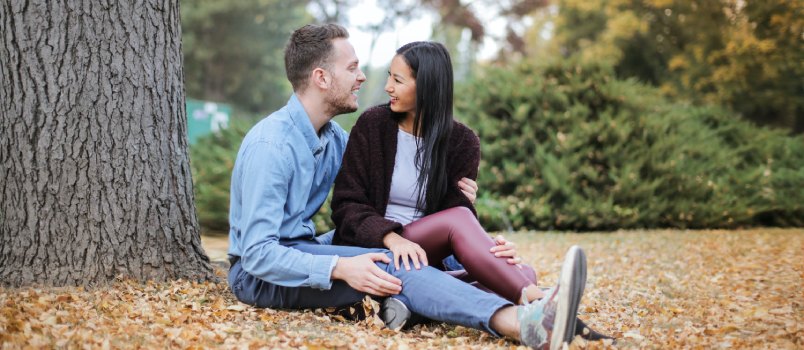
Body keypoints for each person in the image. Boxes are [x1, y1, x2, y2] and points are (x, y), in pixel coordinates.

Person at [227, 23, 587, 350]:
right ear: (321, 77)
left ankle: (502, 292)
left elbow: (374, 190)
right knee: (391, 262)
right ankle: (521, 323)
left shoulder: (333, 139)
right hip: (259, 276)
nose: (364, 77)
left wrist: (479, 241)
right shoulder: (271, 147)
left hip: (305, 249)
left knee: (400, 263)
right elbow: (258, 254)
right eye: (352, 68)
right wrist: (338, 267)